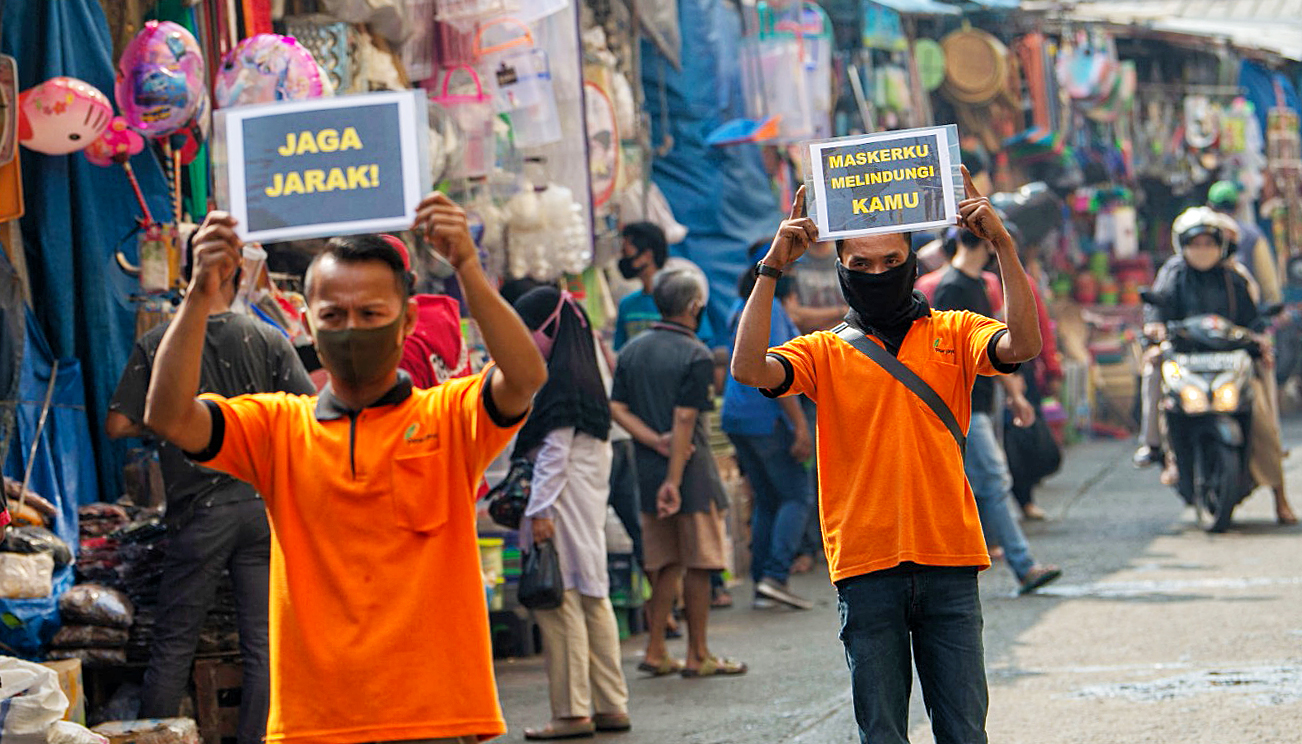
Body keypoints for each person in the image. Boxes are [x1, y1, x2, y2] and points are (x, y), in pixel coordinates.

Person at [140, 193, 548, 744]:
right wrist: (199, 294)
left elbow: (524, 378)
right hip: (315, 722)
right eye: (333, 315)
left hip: (434, 716)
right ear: (308, 323)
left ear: (405, 321)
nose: (351, 329)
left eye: (370, 314)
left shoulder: (449, 417)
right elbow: (168, 415)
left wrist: (468, 267)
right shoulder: (276, 429)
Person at [731, 169, 1043, 743]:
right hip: (865, 566)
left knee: (965, 732)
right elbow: (749, 369)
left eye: (889, 262)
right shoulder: (822, 353)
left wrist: (1002, 243)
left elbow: (1022, 345)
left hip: (949, 559)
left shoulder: (956, 329)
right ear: (841, 269)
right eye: (861, 266)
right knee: (882, 733)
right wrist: (773, 264)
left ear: (912, 264)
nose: (877, 274)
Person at [106, 244, 315, 744]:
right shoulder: (268, 337)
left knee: (175, 639)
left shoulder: (160, 343)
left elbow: (116, 424)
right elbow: (310, 413)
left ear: (190, 272)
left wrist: (171, 423)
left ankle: (155, 736)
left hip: (198, 510)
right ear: (239, 276)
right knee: (263, 641)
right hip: (260, 507)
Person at [611, 270, 746, 678]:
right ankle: (697, 653)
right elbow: (685, 418)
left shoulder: (632, 351)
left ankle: (655, 649)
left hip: (648, 472)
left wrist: (654, 442)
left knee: (664, 562)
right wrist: (673, 474)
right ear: (694, 307)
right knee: (701, 563)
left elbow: (616, 409)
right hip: (690, 476)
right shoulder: (697, 354)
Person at [512, 287, 631, 741]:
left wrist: (539, 512)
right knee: (593, 602)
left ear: (550, 330)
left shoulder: (557, 388)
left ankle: (570, 713)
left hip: (558, 512)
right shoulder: (588, 385)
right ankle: (610, 704)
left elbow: (553, 457)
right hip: (584, 513)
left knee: (559, 608)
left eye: (529, 330)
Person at [1142, 206, 1297, 526]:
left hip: (1231, 361)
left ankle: (1279, 495)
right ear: (1182, 244)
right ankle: (1156, 446)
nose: (1202, 250)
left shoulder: (1234, 277)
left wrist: (1259, 339)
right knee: (1153, 370)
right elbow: (1157, 310)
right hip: (1185, 361)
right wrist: (1155, 332)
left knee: (1264, 420)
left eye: (1208, 242)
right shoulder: (1173, 274)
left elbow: (1252, 317)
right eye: (1195, 243)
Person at [931, 227, 1063, 587]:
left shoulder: (976, 283)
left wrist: (1015, 393)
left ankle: (973, 560)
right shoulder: (954, 288)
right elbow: (962, 353)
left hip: (981, 400)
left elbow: (991, 345)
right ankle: (1022, 565)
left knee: (983, 482)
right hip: (965, 404)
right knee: (992, 479)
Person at [721, 243, 814, 610]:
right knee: (797, 496)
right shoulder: (770, 307)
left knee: (769, 499)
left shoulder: (741, 304)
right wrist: (800, 428)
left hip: (738, 415)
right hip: (766, 416)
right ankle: (775, 576)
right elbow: (776, 372)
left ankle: (764, 581)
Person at [783, 238, 849, 574]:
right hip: (811, 373)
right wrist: (842, 313)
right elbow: (794, 315)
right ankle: (813, 545)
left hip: (852, 369)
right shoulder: (799, 267)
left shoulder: (850, 256)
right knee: (814, 466)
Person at [613, 221, 715, 350]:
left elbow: (702, 345)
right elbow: (621, 352)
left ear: (647, 255)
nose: (623, 259)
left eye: (626, 253)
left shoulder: (684, 300)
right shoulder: (627, 305)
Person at [1208, 180, 1282, 306]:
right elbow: (1268, 282)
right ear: (1237, 206)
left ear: (1209, 206)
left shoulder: (1201, 236)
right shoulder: (1252, 235)